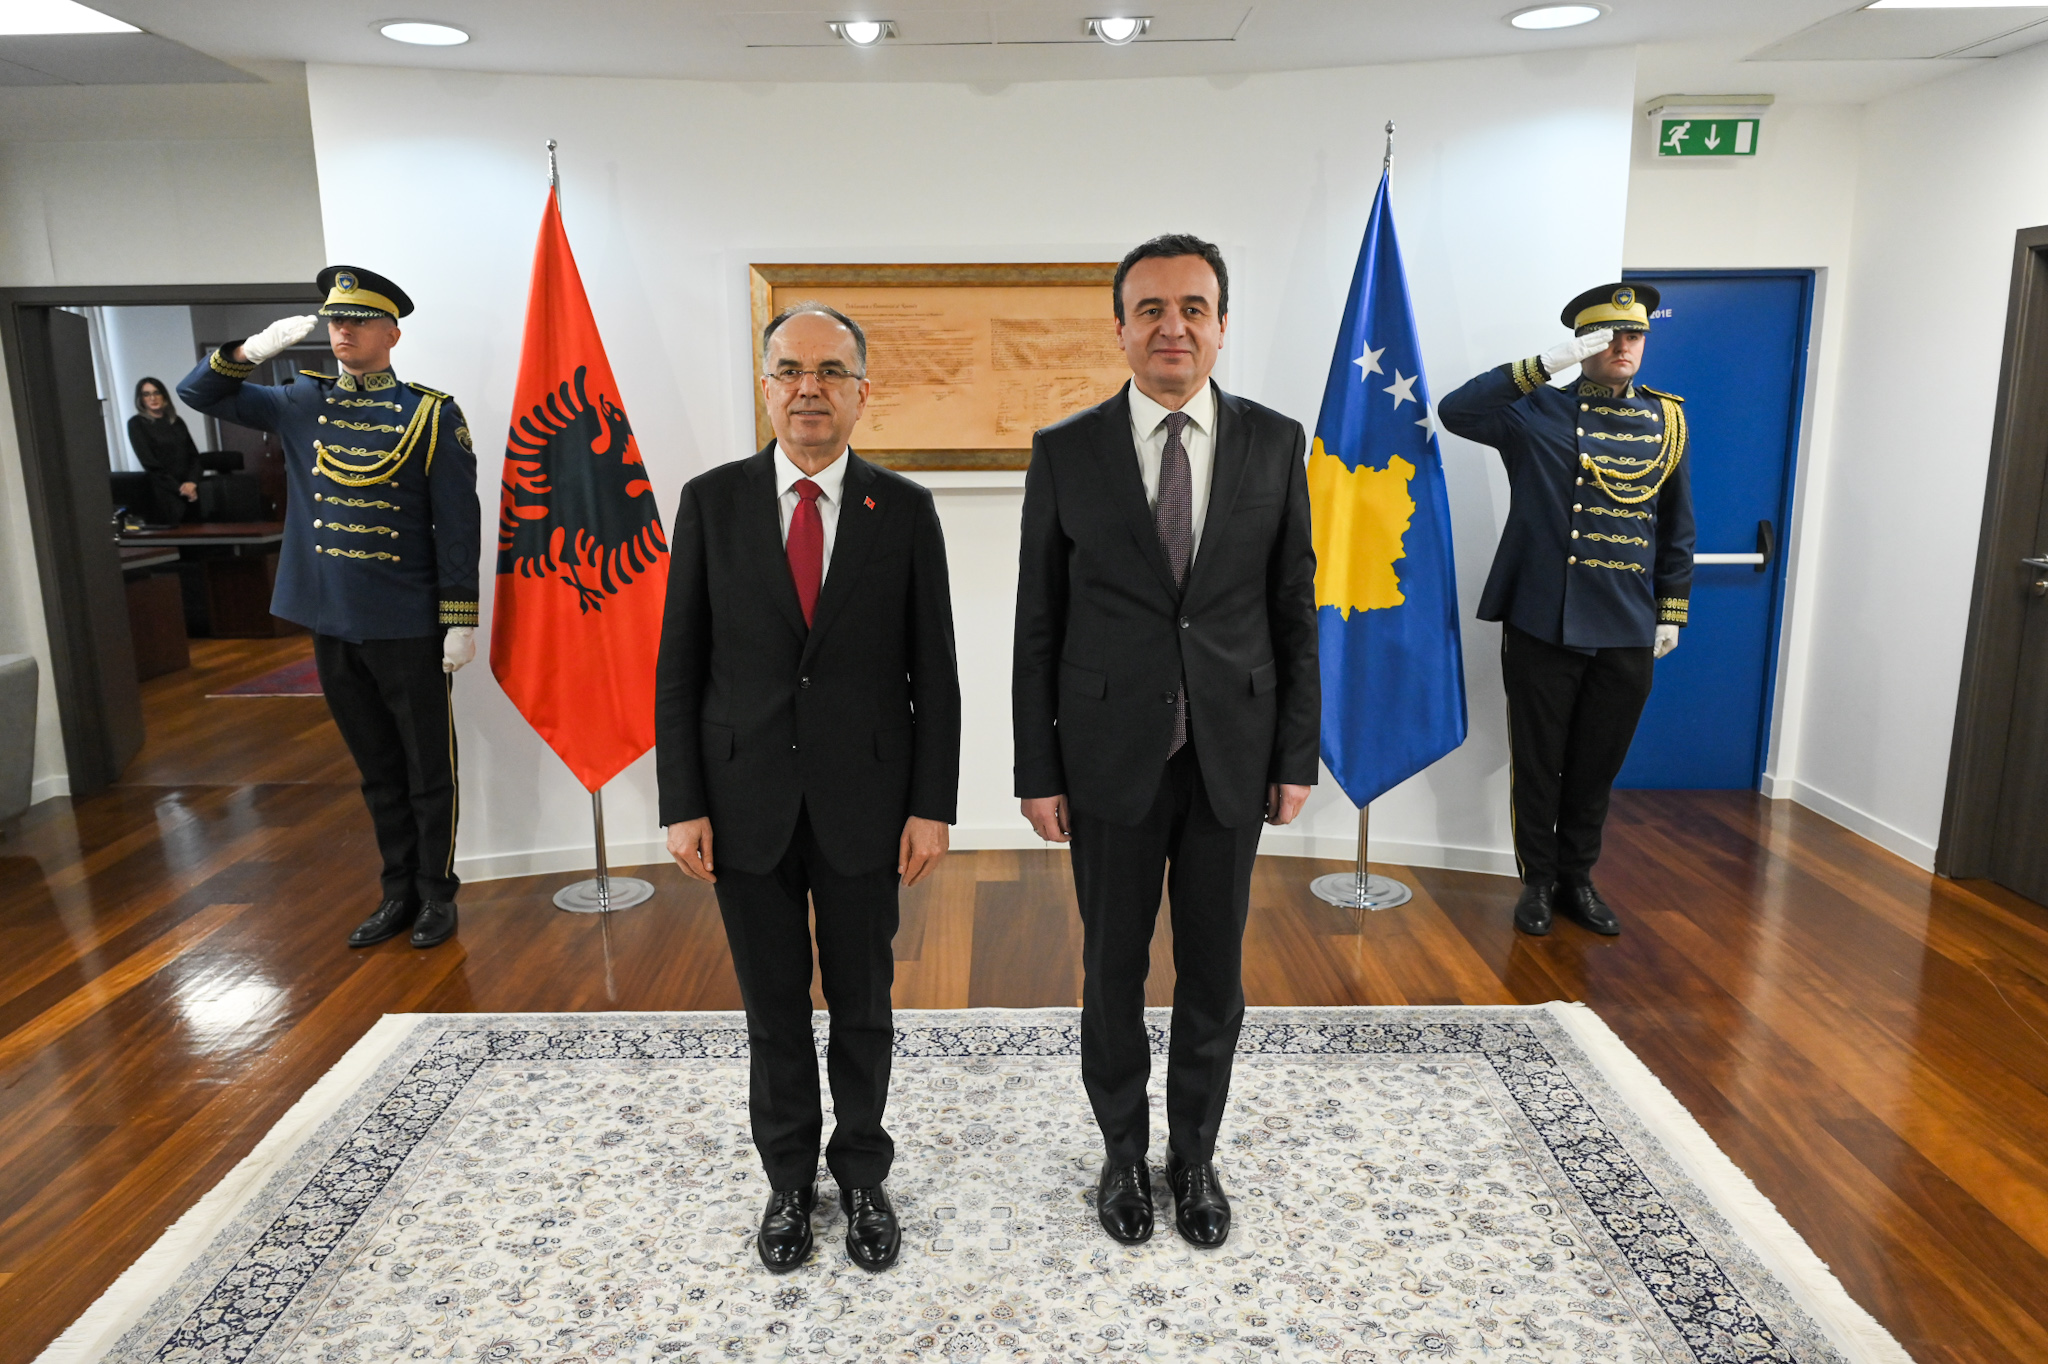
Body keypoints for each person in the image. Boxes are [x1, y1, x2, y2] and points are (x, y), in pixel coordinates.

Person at [1011, 234, 1318, 1249]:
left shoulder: (1275, 443)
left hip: (1234, 750)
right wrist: (1037, 767)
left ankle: (1193, 1155)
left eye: (1193, 307)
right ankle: (1120, 1151)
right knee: (1111, 968)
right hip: (1106, 757)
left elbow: (1293, 609)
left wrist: (1295, 754)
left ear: (1222, 325)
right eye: (1150, 308)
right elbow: (1038, 622)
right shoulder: (1066, 451)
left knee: (1214, 971)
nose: (1171, 326)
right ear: (1119, 328)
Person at [655, 303, 960, 1275]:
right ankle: (788, 1178)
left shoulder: (902, 510)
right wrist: (680, 800)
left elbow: (935, 673)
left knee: (863, 1001)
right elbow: (678, 664)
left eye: (830, 372)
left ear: (862, 391)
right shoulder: (711, 502)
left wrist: (931, 805)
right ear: (765, 386)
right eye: (789, 370)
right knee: (773, 1007)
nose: (808, 389)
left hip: (866, 802)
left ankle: (862, 1172)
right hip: (741, 800)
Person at [179, 267, 481, 951]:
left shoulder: (431, 414)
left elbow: (457, 524)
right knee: (376, 770)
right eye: (336, 319)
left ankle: (437, 893)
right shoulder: (299, 402)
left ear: (391, 334)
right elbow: (198, 392)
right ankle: (397, 892)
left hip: (406, 621)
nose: (342, 330)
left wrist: (459, 617)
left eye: (358, 321)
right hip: (332, 617)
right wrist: (248, 351)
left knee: (428, 771)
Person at [1438, 282, 1695, 939]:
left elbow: (1677, 526)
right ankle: (1538, 881)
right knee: (1539, 761)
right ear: (1584, 345)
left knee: (1596, 765)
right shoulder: (1535, 411)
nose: (1623, 347)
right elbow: (1456, 410)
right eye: (1608, 337)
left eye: (1634, 335)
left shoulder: (1668, 421)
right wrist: (1544, 365)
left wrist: (1671, 610)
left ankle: (1578, 878)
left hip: (1628, 624)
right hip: (1544, 617)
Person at [127, 376, 202, 526]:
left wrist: (192, 482)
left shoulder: (176, 421)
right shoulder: (137, 424)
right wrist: (179, 488)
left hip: (190, 491)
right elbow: (149, 462)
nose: (152, 398)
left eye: (157, 393)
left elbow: (194, 457)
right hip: (163, 494)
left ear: (164, 396)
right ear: (141, 399)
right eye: (146, 394)